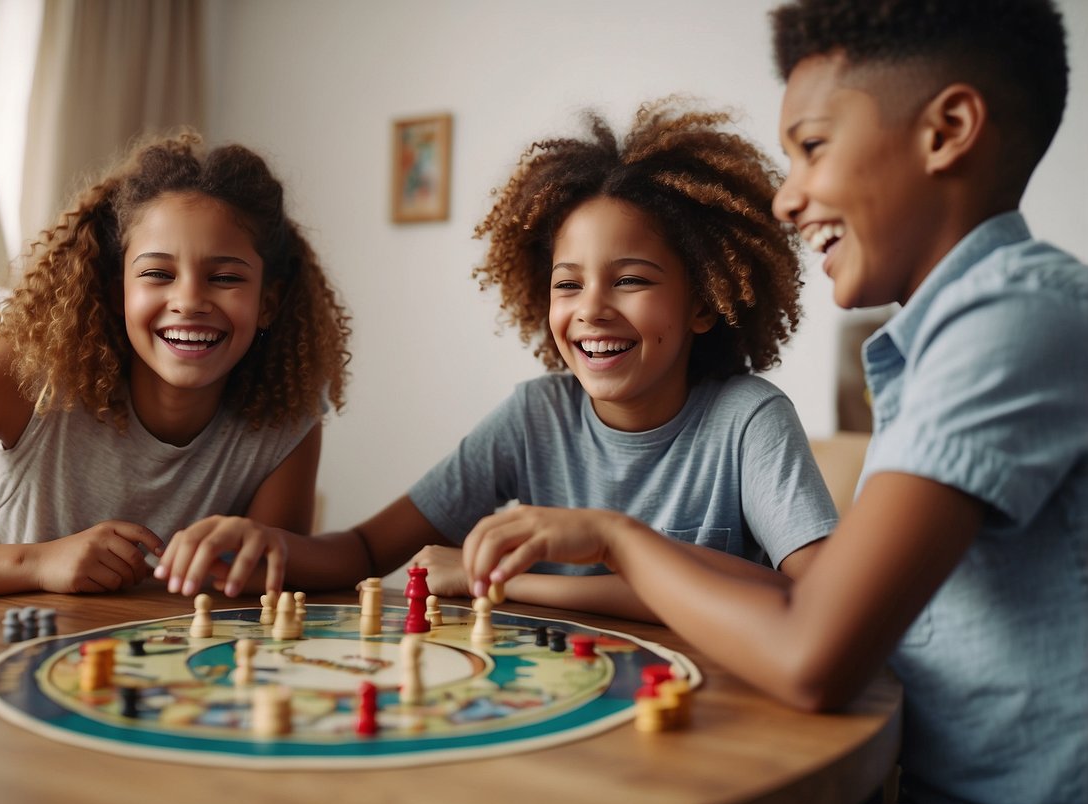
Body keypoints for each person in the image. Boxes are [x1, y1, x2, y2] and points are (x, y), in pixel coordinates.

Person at [460, 1, 1088, 804]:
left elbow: (809, 659)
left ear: (947, 131)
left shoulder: (1009, 321)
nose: (787, 200)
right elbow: (816, 597)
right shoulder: (944, 341)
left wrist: (616, 537)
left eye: (811, 148)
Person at [155, 98, 839, 623]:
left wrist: (517, 580)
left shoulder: (749, 420)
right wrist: (269, 544)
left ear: (704, 302)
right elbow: (367, 550)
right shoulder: (533, 417)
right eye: (567, 284)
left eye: (629, 281)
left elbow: (809, 597)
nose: (591, 309)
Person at [0, 133, 351, 609]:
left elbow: (266, 587)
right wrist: (36, 563)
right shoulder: (23, 374)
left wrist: (263, 552)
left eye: (225, 278)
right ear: (117, 289)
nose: (188, 301)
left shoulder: (285, 419)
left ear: (268, 301)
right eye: (157, 274)